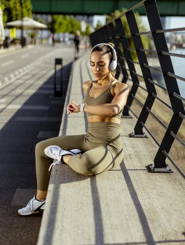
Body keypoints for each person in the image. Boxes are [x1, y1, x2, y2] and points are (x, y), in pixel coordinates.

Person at [17, 42, 129, 216]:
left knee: (86, 165)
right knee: (40, 148)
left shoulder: (120, 87)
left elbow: (113, 109)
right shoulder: (88, 85)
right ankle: (39, 200)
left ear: (112, 64)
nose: (96, 68)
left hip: (109, 147)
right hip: (88, 140)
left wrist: (82, 107)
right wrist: (75, 107)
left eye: (101, 64)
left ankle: (64, 156)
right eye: (92, 63)